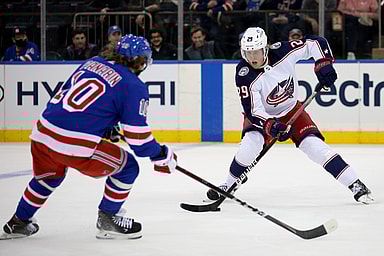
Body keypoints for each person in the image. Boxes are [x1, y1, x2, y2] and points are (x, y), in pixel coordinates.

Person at [0, 34, 177, 240]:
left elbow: (67, 94)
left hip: (42, 133)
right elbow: (138, 141)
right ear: (142, 62)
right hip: (73, 145)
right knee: (127, 167)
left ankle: (19, 222)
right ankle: (108, 219)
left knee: (49, 177)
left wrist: (105, 126)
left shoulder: (93, 62)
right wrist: (161, 154)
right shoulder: (133, 85)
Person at [206, 27, 374, 205]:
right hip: (263, 118)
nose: (252, 58)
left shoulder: (282, 51)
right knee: (249, 146)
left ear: (265, 48)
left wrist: (323, 63)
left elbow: (315, 42)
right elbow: (253, 111)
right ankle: (229, 184)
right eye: (248, 53)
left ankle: (355, 184)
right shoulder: (244, 74)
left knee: (315, 147)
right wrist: (271, 125)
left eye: (256, 52)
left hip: (292, 110)